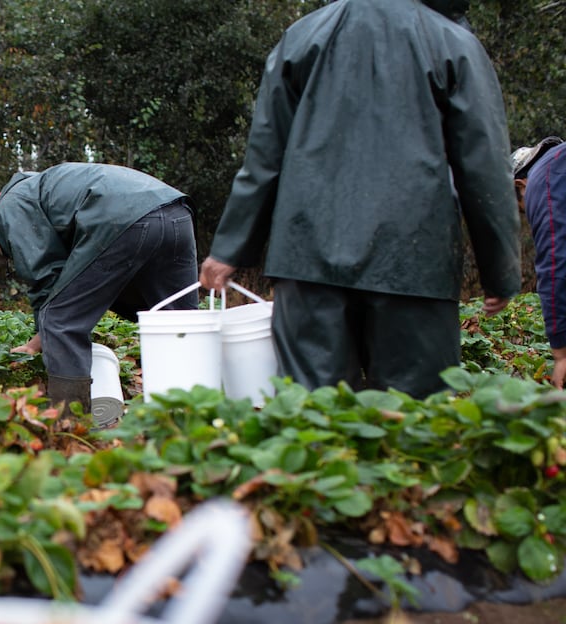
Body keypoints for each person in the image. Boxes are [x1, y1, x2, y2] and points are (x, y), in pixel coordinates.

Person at [198, 0, 521, 399]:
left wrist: (230, 248)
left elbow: (265, 156)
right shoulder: (450, 41)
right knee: (415, 415)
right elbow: (485, 165)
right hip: (413, 260)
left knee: (316, 410)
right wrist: (500, 269)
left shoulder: (302, 37)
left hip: (307, 257)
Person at [0, 162, 198, 410]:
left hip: (123, 219)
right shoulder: (44, 191)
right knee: (179, 324)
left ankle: (69, 421)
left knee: (60, 321)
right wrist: (37, 343)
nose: (7, 255)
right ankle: (189, 412)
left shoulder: (7, 208)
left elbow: (46, 279)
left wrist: (48, 330)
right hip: (176, 211)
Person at [513, 136, 566, 389]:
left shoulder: (542, 177)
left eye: (522, 208)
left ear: (520, 184)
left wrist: (561, 353)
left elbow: (555, 262)